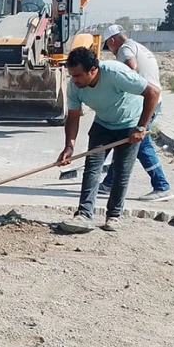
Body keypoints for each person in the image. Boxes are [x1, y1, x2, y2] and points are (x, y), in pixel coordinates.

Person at [56, 47, 160, 233]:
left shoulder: (115, 73)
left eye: (78, 75)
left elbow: (153, 93)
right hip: (103, 125)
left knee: (121, 171)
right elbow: (73, 117)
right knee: (92, 169)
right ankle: (84, 214)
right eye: (72, 75)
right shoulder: (74, 86)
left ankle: (114, 216)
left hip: (130, 123)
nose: (75, 80)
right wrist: (69, 147)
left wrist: (141, 127)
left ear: (93, 70)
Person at [98, 25, 173, 201]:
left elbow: (130, 68)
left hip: (145, 104)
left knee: (141, 144)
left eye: (108, 47)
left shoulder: (125, 49)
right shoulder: (139, 47)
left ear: (112, 41)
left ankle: (162, 186)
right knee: (126, 144)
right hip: (150, 101)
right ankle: (108, 184)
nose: (110, 50)